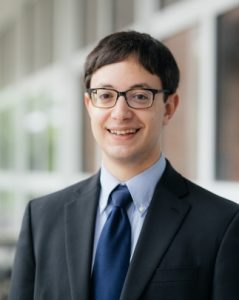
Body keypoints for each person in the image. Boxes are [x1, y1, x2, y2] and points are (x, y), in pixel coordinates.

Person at [8, 31, 239, 300]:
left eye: (140, 96)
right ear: (89, 105)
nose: (120, 112)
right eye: (105, 95)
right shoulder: (42, 218)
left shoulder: (222, 225)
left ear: (168, 107)